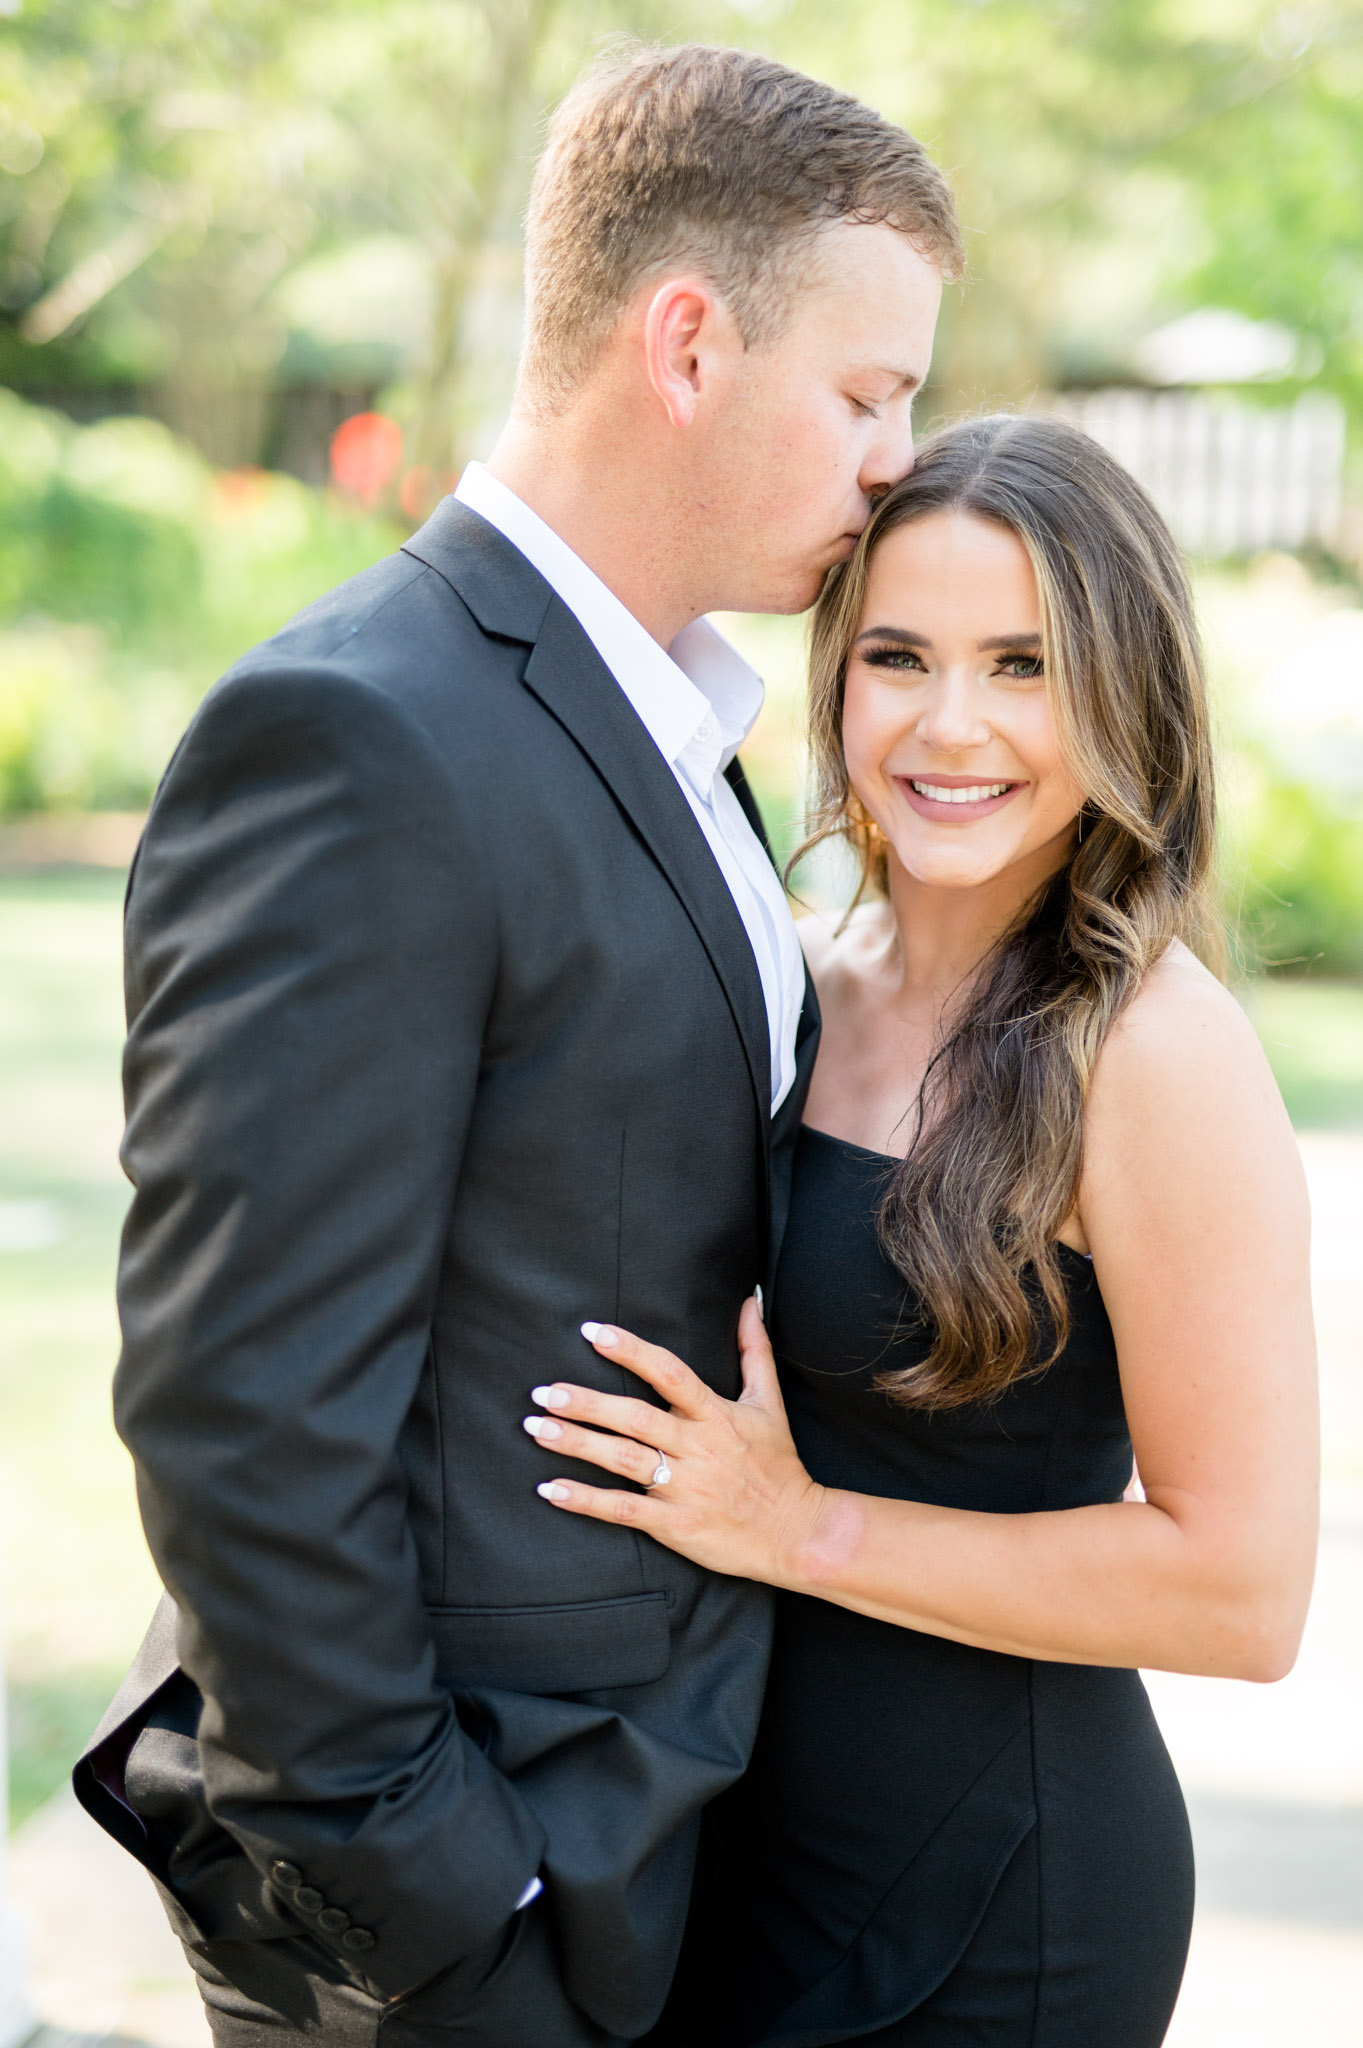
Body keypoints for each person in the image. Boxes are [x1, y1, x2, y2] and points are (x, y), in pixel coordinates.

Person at [70, 38, 958, 2048]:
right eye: (868, 391)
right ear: (683, 343)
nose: (897, 454)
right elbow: (243, 1409)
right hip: (463, 1910)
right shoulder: (362, 736)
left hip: (653, 1844)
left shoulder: (666, 724)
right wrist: (440, 1894)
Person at [514, 414, 1320, 2047]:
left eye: (1024, 665)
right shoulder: (795, 971)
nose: (953, 727)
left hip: (995, 1908)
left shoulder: (1152, 1050)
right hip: (723, 1851)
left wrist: (803, 1531)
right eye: (899, 656)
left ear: (1125, 692)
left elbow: (1244, 1591)